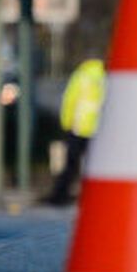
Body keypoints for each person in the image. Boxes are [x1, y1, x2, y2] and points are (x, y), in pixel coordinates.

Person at [45, 56, 106, 205]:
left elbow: (70, 100)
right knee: (96, 167)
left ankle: (60, 196)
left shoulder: (81, 75)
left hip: (79, 126)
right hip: (99, 128)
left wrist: (66, 123)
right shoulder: (106, 77)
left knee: (70, 165)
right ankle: (95, 197)